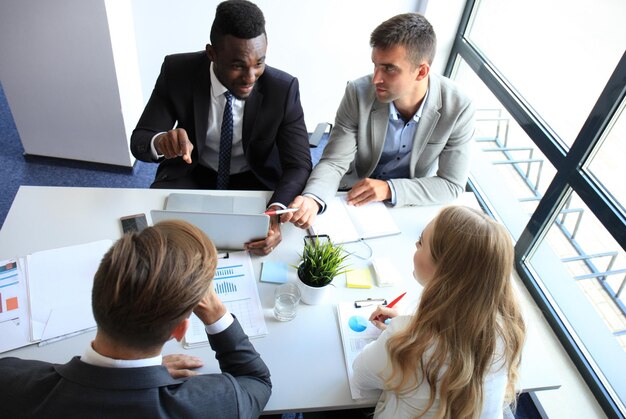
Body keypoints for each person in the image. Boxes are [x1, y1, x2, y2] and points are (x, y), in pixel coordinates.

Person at [0, 220, 272, 418]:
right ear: (179, 330)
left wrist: (133, 372)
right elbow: (256, 382)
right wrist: (214, 310)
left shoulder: (10, 381)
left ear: (96, 289)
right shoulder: (216, 403)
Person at [130, 0, 312, 254]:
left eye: (259, 63)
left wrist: (276, 211)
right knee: (167, 246)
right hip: (193, 173)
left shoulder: (283, 88)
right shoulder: (177, 71)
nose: (250, 77)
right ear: (212, 54)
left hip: (254, 178)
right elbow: (140, 140)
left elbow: (299, 164)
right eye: (238, 65)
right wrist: (161, 141)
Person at [283, 13, 475, 229]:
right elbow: (334, 161)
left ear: (421, 72)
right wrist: (313, 199)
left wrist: (389, 189)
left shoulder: (458, 107)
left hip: (410, 201)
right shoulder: (358, 93)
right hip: (353, 194)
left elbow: (451, 184)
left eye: (389, 68)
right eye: (375, 65)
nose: (376, 79)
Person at [352, 206, 525, 418]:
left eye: (421, 242)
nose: (416, 245)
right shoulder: (509, 325)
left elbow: (361, 375)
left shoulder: (409, 340)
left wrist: (399, 333)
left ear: (443, 270)